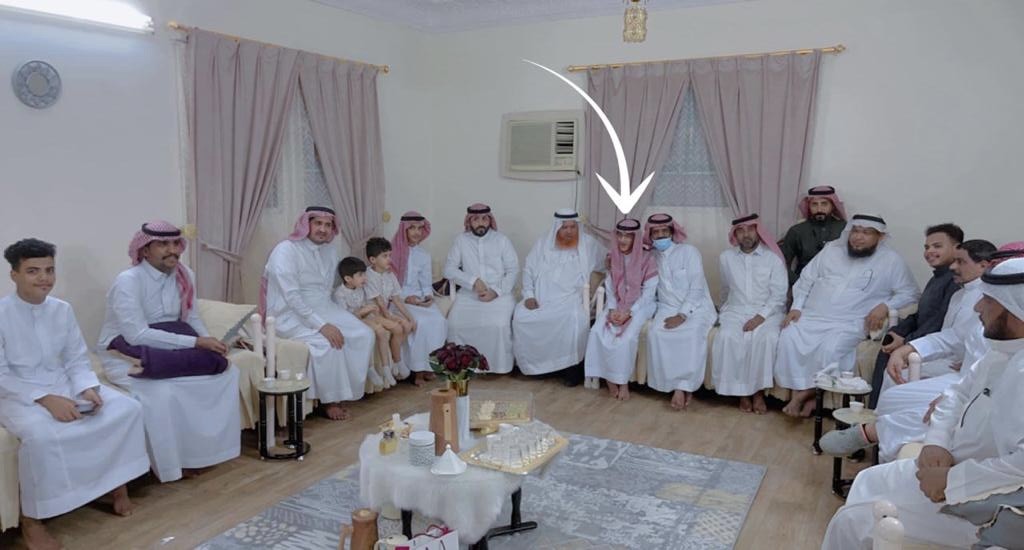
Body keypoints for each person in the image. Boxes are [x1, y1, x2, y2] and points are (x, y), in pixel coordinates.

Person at [821, 257, 1024, 550]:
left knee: (851, 521)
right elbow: (957, 394)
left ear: (1017, 310)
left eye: (988, 301)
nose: (978, 308)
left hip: (986, 500)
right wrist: (936, 443)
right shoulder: (1001, 352)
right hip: (952, 465)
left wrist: (952, 481)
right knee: (867, 481)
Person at [0, 239, 149, 550]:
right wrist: (46, 399)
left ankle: (114, 485)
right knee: (40, 437)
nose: (44, 278)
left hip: (64, 383)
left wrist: (87, 387)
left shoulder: (62, 310)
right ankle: (32, 521)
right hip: (16, 394)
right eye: (33, 271)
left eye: (49, 270)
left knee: (127, 409)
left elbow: (76, 358)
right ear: (14, 274)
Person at [819, 239, 996, 461]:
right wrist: (907, 348)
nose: (953, 266)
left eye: (960, 262)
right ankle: (878, 452)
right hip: (962, 372)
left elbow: (987, 373)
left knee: (939, 410)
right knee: (893, 395)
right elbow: (955, 336)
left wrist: (957, 390)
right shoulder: (962, 294)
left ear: (984, 266)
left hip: (970, 381)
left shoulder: (992, 306)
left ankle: (873, 437)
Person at [97, 221, 240, 483]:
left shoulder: (185, 275)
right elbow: (136, 335)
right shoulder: (128, 281)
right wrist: (196, 344)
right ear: (145, 250)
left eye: (176, 243)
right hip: (123, 353)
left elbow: (192, 317)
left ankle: (202, 453)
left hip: (172, 344)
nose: (172, 250)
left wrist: (209, 341)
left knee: (226, 372)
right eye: (163, 244)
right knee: (160, 392)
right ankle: (172, 465)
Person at [775, 214, 919, 417]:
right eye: (856, 231)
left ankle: (804, 396)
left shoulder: (891, 261)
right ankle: (809, 395)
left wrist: (885, 306)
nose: (858, 237)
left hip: (850, 321)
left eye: (866, 233)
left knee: (831, 348)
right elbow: (806, 279)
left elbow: (910, 292)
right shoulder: (831, 250)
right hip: (813, 316)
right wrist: (796, 307)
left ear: (880, 237)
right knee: (789, 337)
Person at [262, 206, 375, 420]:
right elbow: (291, 296)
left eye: (328, 225)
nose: (323, 229)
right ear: (306, 224)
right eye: (318, 223)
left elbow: (329, 289)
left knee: (364, 334)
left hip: (324, 306)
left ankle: (347, 391)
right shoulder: (286, 250)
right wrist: (321, 325)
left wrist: (342, 311)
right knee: (328, 343)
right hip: (289, 313)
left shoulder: (330, 250)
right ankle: (329, 401)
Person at [866, 224, 963, 406]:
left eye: (937, 246)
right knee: (887, 347)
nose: (929, 251)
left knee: (890, 357)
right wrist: (899, 332)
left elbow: (937, 323)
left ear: (957, 248)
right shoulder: (937, 278)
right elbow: (920, 315)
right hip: (920, 339)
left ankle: (875, 414)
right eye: (927, 247)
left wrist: (906, 343)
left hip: (935, 347)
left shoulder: (955, 281)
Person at [512, 208, 603, 386]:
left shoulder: (588, 244)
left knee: (573, 319)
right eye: (564, 228)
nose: (569, 232)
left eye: (573, 227)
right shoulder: (543, 243)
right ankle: (538, 368)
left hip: (570, 298)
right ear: (557, 228)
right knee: (522, 317)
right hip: (541, 297)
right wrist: (529, 295)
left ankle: (570, 371)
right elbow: (528, 269)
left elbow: (608, 260)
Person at [711, 214, 788, 414]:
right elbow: (725, 289)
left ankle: (758, 393)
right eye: (741, 230)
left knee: (766, 339)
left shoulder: (773, 259)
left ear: (758, 231)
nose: (746, 234)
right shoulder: (726, 258)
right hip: (735, 310)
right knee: (727, 337)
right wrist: (721, 311)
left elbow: (779, 295)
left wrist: (759, 317)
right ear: (735, 234)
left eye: (750, 229)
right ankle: (742, 394)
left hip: (768, 312)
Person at [643, 213, 716, 410]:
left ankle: (684, 386)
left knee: (691, 334)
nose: (660, 236)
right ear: (650, 235)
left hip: (696, 307)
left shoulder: (689, 252)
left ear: (672, 232)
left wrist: (682, 315)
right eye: (656, 232)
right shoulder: (649, 257)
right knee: (656, 333)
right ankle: (672, 385)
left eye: (664, 231)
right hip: (666, 307)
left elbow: (697, 288)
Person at [584, 218, 658, 400]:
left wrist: (629, 313)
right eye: (620, 235)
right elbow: (610, 287)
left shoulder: (647, 259)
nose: (623, 240)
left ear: (636, 238)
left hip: (641, 306)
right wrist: (611, 309)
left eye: (628, 236)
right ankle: (608, 378)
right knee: (597, 332)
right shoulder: (613, 256)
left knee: (626, 338)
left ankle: (622, 382)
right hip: (616, 303)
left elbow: (648, 293)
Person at [444, 203, 519, 374]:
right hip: (469, 295)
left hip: (500, 295)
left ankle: (497, 367)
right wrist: (473, 281)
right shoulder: (461, 240)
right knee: (455, 324)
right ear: (469, 221)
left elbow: (513, 270)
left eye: (485, 219)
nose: (481, 223)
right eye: (476, 219)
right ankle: (462, 366)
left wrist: (496, 292)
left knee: (498, 325)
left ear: (490, 220)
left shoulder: (501, 240)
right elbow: (449, 269)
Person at [390, 211, 447, 386]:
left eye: (420, 228)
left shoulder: (423, 255)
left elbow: (426, 283)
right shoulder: (391, 252)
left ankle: (430, 366)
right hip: (397, 301)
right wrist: (407, 298)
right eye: (412, 228)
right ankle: (417, 370)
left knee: (439, 321)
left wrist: (428, 297)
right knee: (421, 322)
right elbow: (388, 285)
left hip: (419, 299)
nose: (416, 232)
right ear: (404, 230)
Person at [333, 256, 407, 389]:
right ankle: (370, 368)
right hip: (352, 321)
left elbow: (367, 306)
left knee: (389, 328)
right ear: (348, 278)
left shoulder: (361, 288)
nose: (365, 278)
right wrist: (364, 311)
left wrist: (371, 310)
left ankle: (387, 367)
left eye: (364, 274)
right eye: (360, 275)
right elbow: (345, 318)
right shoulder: (339, 294)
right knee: (377, 331)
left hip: (365, 317)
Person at [779, 185, 848, 284]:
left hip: (837, 284)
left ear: (833, 206)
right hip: (803, 283)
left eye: (824, 204)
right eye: (814, 204)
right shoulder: (797, 230)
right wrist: (797, 283)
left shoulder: (844, 228)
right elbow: (781, 262)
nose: (819, 209)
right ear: (809, 206)